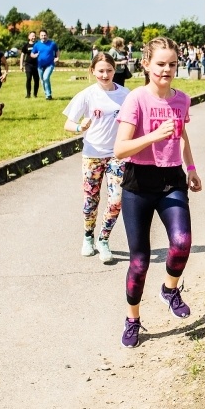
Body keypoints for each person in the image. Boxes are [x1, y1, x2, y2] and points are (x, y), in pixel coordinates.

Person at [113, 36, 201, 348]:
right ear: (146, 64)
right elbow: (120, 149)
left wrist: (191, 168)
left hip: (171, 178)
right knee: (140, 261)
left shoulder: (182, 99)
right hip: (138, 182)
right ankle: (132, 319)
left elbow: (182, 134)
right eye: (160, 64)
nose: (166, 70)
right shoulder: (136, 99)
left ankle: (169, 289)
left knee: (182, 241)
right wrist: (153, 136)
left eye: (172, 64)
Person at [62, 52, 130, 264]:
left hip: (117, 154)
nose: (105, 75)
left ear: (115, 70)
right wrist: (79, 127)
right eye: (100, 71)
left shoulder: (126, 94)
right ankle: (88, 237)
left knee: (116, 200)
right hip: (92, 155)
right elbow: (68, 124)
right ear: (92, 71)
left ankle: (103, 239)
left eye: (109, 70)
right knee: (91, 200)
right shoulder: (87, 95)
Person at [30, 29, 59, 100]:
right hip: (40, 66)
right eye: (42, 35)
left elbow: (57, 50)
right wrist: (35, 55)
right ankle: (47, 94)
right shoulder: (37, 45)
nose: (43, 37)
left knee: (46, 78)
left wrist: (57, 57)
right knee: (42, 80)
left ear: (47, 35)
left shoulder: (52, 44)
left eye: (45, 35)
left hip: (50, 64)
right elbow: (32, 54)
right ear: (39, 36)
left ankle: (48, 94)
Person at [20, 32, 40, 98]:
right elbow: (22, 55)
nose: (33, 37)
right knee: (28, 78)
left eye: (34, 36)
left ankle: (35, 94)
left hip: (36, 65)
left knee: (36, 79)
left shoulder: (38, 45)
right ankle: (28, 94)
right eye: (32, 36)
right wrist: (21, 65)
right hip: (28, 64)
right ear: (29, 37)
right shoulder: (26, 45)